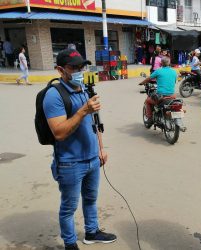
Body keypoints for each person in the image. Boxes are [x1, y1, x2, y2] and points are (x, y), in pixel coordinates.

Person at [43, 49, 117, 250]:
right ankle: (70, 244)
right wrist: (84, 109)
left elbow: (95, 122)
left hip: (93, 158)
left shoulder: (84, 88)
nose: (79, 71)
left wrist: (101, 148)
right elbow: (59, 132)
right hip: (70, 162)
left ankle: (92, 232)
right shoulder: (54, 95)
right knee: (69, 208)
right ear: (60, 69)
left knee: (91, 199)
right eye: (73, 67)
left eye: (81, 67)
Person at [139, 56, 177, 122]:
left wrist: (142, 83)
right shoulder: (174, 72)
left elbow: (149, 78)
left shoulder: (158, 71)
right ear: (169, 63)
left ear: (161, 63)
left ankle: (149, 118)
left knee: (147, 101)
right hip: (172, 96)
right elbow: (174, 81)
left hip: (161, 96)